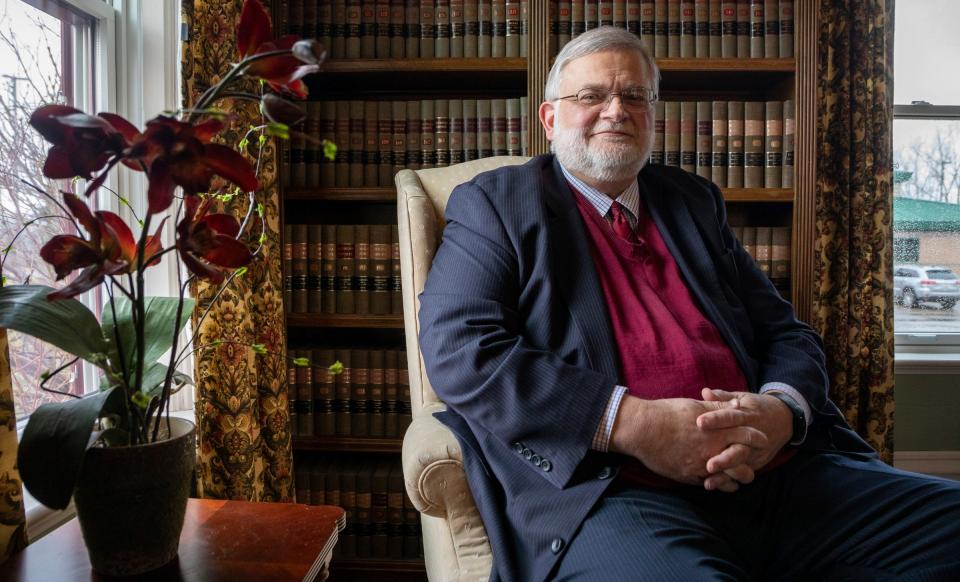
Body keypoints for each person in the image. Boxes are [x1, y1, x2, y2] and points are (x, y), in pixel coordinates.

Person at [417, 26, 960, 582]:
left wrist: (780, 412)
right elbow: (462, 351)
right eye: (591, 96)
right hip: (617, 491)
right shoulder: (498, 202)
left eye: (635, 96)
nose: (615, 110)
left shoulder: (693, 202)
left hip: (771, 473)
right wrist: (637, 424)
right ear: (550, 118)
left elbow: (786, 335)